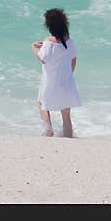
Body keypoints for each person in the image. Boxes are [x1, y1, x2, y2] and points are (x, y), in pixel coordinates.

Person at [31, 8, 81, 138]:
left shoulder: (48, 42)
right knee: (66, 116)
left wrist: (34, 47)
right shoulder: (70, 41)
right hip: (66, 82)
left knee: (42, 104)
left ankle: (48, 129)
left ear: (49, 25)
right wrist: (68, 75)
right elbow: (73, 60)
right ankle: (69, 137)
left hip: (50, 82)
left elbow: (42, 59)